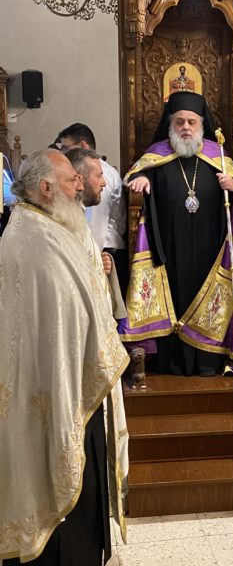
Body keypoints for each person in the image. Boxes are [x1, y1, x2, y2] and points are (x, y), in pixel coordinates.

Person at [0, 149, 129, 565]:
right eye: (72, 179)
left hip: (71, 380)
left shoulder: (46, 225)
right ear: (46, 188)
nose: (79, 186)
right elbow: (64, 314)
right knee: (64, 524)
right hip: (58, 389)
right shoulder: (38, 240)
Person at [121, 91, 233, 376]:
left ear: (201, 124)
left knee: (207, 295)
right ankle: (167, 361)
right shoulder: (157, 154)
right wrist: (141, 178)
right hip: (168, 246)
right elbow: (137, 174)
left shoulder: (218, 155)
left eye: (191, 121)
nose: (185, 127)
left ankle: (207, 361)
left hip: (210, 246)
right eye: (179, 122)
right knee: (172, 296)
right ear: (170, 124)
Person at [58, 123, 126, 255]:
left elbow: (95, 224)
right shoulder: (84, 170)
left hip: (102, 249)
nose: (63, 153)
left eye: (65, 148)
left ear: (83, 146)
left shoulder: (98, 173)